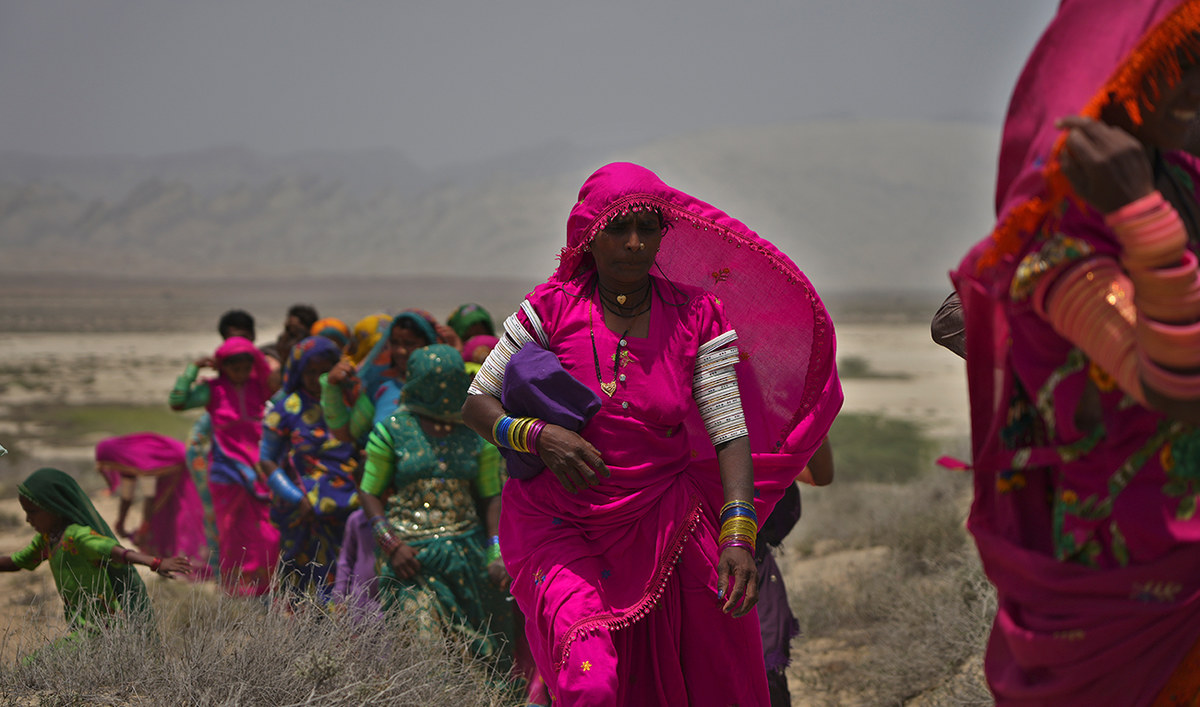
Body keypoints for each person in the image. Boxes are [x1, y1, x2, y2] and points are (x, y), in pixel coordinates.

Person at [462, 162, 842, 705]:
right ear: (590, 236)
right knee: (592, 682)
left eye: (648, 228)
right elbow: (476, 402)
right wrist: (535, 435)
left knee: (704, 678)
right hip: (559, 524)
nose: (634, 242)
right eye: (618, 228)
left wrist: (737, 534)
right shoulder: (548, 308)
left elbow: (727, 428)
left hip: (666, 523)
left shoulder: (697, 315)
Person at [951, 2, 1200, 703]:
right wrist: (1140, 217)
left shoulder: (1187, 181)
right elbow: (1177, 382)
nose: (1194, 85)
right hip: (1137, 582)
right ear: (1124, 66)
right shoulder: (1056, 235)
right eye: (1176, 62)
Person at [358, 344, 512, 663]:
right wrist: (391, 544)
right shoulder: (392, 431)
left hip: (466, 556)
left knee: (480, 650)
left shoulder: (475, 434)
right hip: (411, 557)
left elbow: (491, 495)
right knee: (424, 646)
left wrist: (495, 551)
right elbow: (369, 491)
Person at [0, 468, 193, 636]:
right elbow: (17, 562)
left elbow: (115, 552)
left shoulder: (77, 537)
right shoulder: (46, 541)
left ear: (54, 508)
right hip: (80, 630)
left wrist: (156, 563)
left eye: (32, 512)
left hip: (103, 631)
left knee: (35, 666)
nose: (27, 520)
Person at [170, 336, 279, 596]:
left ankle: (263, 589)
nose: (240, 374)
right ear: (223, 366)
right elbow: (178, 402)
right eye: (234, 368)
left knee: (267, 534)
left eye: (245, 367)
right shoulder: (214, 390)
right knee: (230, 535)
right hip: (226, 476)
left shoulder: (260, 387)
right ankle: (234, 592)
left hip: (259, 475)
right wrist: (191, 369)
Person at [258, 336, 361, 600]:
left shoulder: (351, 403)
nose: (317, 378)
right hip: (304, 512)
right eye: (310, 371)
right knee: (303, 581)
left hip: (350, 505)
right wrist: (295, 497)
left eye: (324, 371)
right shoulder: (286, 408)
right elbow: (267, 459)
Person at [94, 432, 210, 579]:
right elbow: (126, 496)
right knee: (158, 519)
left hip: (177, 464)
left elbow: (149, 498)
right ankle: (167, 562)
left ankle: (184, 565)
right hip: (165, 470)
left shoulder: (142, 458)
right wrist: (121, 522)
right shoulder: (126, 461)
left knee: (169, 518)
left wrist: (144, 527)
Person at [323, 310, 440, 446]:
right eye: (395, 343)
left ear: (428, 344)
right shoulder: (380, 387)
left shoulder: (443, 386)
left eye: (409, 343)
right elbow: (347, 434)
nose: (400, 351)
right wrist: (330, 387)